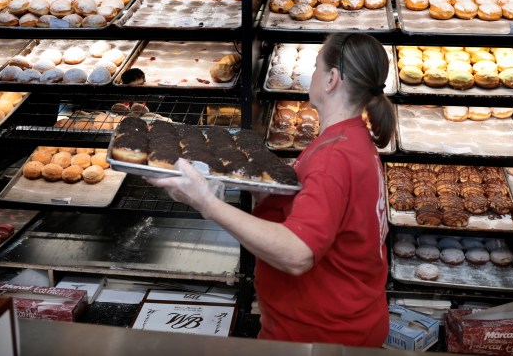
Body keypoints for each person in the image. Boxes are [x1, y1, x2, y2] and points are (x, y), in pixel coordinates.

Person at [148, 33, 396, 347]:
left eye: (317, 66)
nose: (313, 75)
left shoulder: (335, 156)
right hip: (341, 322)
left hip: (319, 337)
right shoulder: (350, 139)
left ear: (332, 79)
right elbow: (320, 213)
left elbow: (297, 254)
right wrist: (255, 183)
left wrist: (207, 203)